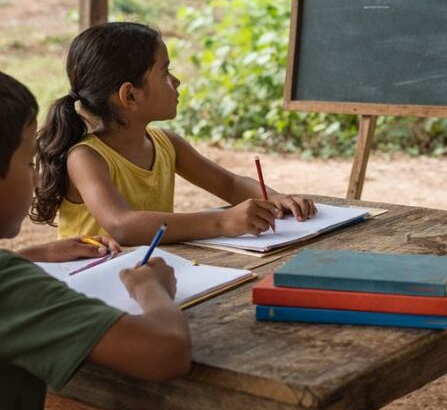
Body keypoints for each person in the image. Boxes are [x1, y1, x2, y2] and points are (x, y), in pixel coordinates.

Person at [0, 71, 191, 410]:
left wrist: (29, 255)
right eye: (28, 163)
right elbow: (166, 353)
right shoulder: (10, 288)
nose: (36, 177)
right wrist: (151, 287)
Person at [33, 21, 317, 245]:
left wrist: (276, 200)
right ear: (130, 95)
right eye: (165, 72)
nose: (177, 81)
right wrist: (221, 222)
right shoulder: (86, 158)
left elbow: (228, 184)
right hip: (90, 284)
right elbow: (122, 226)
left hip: (143, 275)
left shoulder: (166, 143)